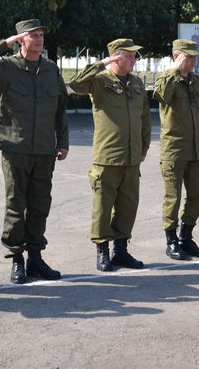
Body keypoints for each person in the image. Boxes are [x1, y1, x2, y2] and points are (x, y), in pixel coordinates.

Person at [0, 19, 69, 283]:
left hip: (45, 148)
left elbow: (60, 109)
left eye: (41, 35)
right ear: (21, 40)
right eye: (32, 35)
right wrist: (6, 43)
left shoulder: (50, 69)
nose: (39, 39)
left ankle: (35, 259)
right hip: (16, 147)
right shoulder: (6, 67)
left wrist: (63, 141)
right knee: (16, 204)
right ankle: (16, 260)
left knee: (40, 204)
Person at [69, 38, 151, 271]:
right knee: (102, 208)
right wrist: (103, 63)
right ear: (116, 56)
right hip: (107, 156)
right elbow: (75, 84)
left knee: (128, 206)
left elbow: (144, 117)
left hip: (132, 157)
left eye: (135, 56)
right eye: (129, 56)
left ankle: (121, 251)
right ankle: (102, 252)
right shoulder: (99, 80)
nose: (134, 60)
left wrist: (143, 148)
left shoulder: (136, 83)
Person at [152, 39, 199, 260]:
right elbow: (160, 95)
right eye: (189, 57)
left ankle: (186, 236)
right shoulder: (168, 79)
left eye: (195, 57)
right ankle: (171, 240)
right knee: (173, 198)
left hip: (196, 151)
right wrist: (174, 69)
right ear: (177, 56)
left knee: (197, 196)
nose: (193, 61)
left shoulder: (197, 81)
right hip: (174, 150)